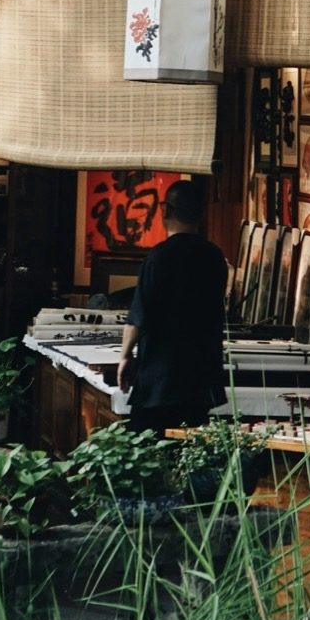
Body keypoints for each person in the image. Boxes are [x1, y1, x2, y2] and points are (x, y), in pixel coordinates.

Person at [116, 178, 228, 432]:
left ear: (165, 211)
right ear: (201, 214)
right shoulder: (214, 257)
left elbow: (139, 317)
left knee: (148, 452)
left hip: (160, 377)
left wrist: (124, 356)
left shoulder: (159, 257)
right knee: (188, 453)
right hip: (200, 377)